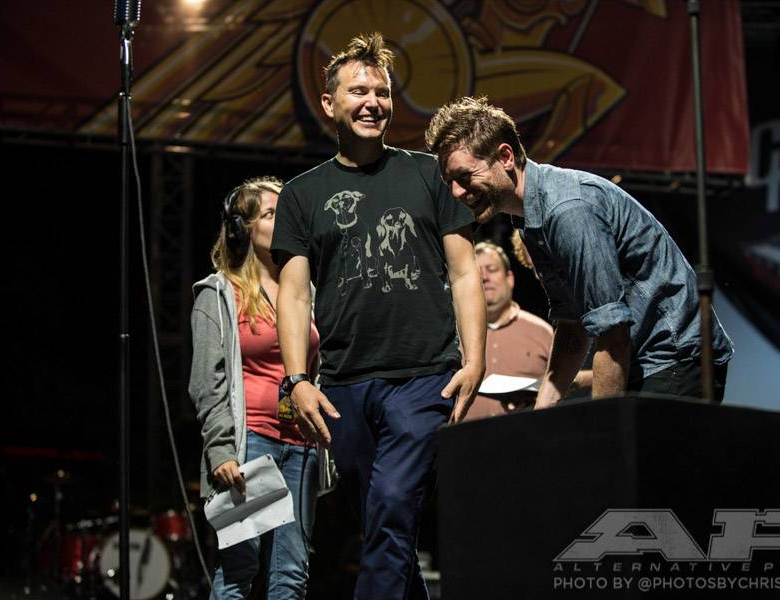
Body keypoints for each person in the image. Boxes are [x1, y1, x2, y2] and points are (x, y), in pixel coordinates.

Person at [271, 33, 486, 599]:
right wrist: (297, 380)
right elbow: (293, 295)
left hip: (423, 378)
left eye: (383, 92)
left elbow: (465, 273)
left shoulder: (428, 175)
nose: (373, 101)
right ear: (329, 103)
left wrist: (476, 361)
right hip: (344, 386)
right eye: (358, 90)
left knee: (392, 506)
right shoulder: (301, 194)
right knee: (382, 527)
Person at [425, 97, 733, 405]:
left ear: (505, 156)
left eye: (464, 177)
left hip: (674, 360)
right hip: (648, 360)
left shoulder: (566, 210)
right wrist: (544, 409)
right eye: (450, 182)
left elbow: (612, 334)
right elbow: (572, 327)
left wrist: (600, 429)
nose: (456, 192)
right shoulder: (531, 217)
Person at [188, 177, 320, 599]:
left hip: (301, 445)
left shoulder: (306, 292)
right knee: (240, 569)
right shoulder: (220, 295)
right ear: (242, 228)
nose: (283, 220)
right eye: (270, 213)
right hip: (252, 446)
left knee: (291, 575)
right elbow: (208, 382)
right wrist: (220, 449)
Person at [466, 240, 591, 420]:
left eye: (492, 270)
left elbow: (567, 379)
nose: (485, 277)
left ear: (510, 278)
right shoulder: (454, 336)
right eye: (478, 273)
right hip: (464, 442)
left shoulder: (542, 331)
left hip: (527, 439)